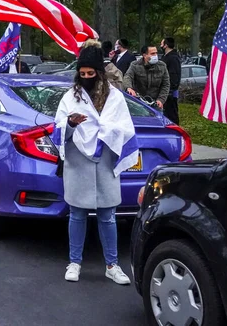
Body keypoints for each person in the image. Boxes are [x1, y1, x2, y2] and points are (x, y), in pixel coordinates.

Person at [54, 44, 136, 285]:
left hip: (106, 162)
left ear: (100, 73)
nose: (87, 78)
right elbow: (58, 127)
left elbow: (125, 127)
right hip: (79, 162)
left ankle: (112, 265)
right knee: (77, 214)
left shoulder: (116, 98)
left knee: (108, 216)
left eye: (92, 73)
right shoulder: (70, 97)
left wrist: (106, 130)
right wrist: (71, 124)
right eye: (83, 73)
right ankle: (74, 262)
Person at [123, 46, 170, 110]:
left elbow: (166, 84)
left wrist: (161, 100)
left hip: (155, 103)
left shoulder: (162, 66)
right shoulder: (135, 65)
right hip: (138, 103)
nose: (155, 55)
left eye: (156, 53)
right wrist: (128, 88)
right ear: (145, 55)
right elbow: (128, 76)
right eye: (152, 53)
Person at [160, 37, 181, 124]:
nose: (160, 46)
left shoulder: (173, 58)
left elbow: (174, 76)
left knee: (171, 114)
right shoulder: (165, 57)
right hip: (165, 91)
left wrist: (170, 90)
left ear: (166, 45)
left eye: (161, 44)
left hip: (170, 93)